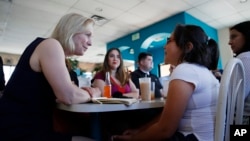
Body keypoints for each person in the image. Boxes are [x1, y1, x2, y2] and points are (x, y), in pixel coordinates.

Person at [0, 13, 101, 141]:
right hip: (17, 131)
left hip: (32, 128)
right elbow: (69, 96)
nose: (90, 43)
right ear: (71, 30)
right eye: (88, 35)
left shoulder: (58, 55)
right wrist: (94, 93)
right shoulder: (50, 45)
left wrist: (76, 93)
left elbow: (67, 94)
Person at [112, 24, 220, 141]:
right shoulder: (203, 71)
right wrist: (140, 130)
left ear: (188, 47)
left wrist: (133, 139)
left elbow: (165, 130)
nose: (164, 46)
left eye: (169, 40)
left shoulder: (185, 70)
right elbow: (165, 117)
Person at [228, 21, 250, 125]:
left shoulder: (244, 58)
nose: (229, 42)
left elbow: (234, 99)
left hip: (243, 120)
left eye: (234, 37)